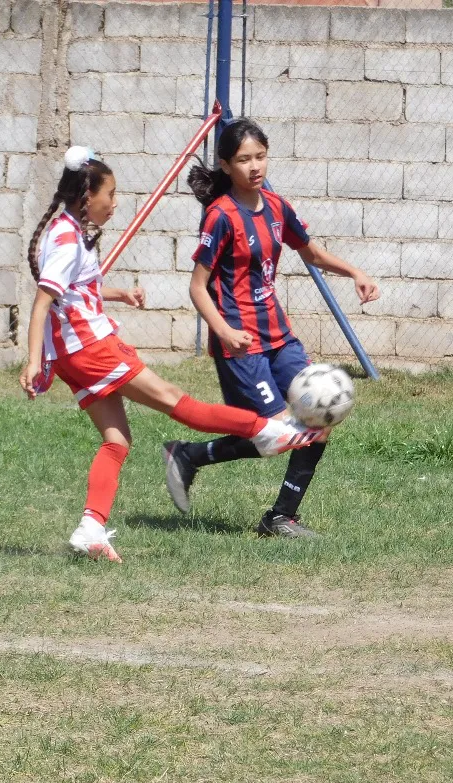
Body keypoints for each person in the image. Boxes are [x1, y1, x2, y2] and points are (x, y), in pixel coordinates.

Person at [21, 145, 326, 563]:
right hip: (92, 348)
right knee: (175, 402)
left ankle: (91, 528)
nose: (114, 203)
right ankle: (270, 431)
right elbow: (42, 303)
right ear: (86, 196)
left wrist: (118, 293)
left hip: (74, 354)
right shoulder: (66, 239)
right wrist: (33, 361)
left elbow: (73, 291)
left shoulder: (68, 232)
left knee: (117, 440)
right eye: (110, 195)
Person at [162, 119, 380, 538]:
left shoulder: (277, 207)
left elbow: (311, 252)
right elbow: (197, 287)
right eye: (243, 159)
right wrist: (223, 331)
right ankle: (188, 454)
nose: (254, 166)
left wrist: (354, 271)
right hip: (241, 345)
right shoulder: (220, 216)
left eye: (260, 156)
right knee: (278, 432)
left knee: (320, 420)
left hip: (279, 338)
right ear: (226, 165)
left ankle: (281, 517)